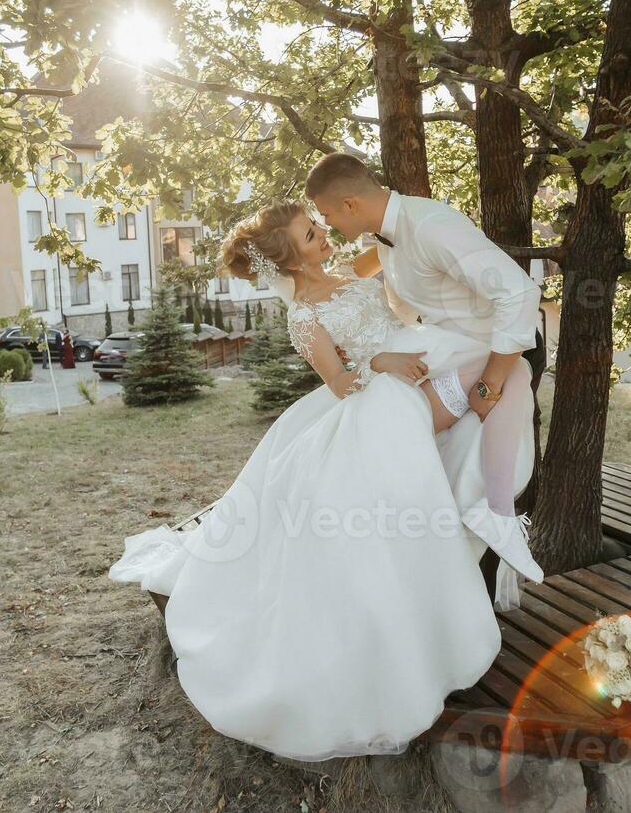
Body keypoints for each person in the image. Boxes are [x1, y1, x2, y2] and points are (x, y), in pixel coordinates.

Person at [107, 196, 542, 763]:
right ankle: (466, 548)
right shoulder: (305, 316)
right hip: (378, 396)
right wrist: (381, 363)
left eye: (318, 228)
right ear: (291, 262)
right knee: (401, 493)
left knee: (508, 367)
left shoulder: (349, 270)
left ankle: (495, 503)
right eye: (312, 236)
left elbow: (394, 253)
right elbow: (339, 383)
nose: (323, 238)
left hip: (423, 367)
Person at [304, 152, 546, 609]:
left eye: (328, 214)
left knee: (441, 467)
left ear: (351, 204)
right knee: (411, 474)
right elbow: (359, 272)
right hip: (442, 356)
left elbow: (519, 293)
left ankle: (458, 571)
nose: (327, 223)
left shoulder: (431, 224)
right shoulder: (389, 235)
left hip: (486, 358)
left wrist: (489, 385)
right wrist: (321, 307)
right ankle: (416, 588)